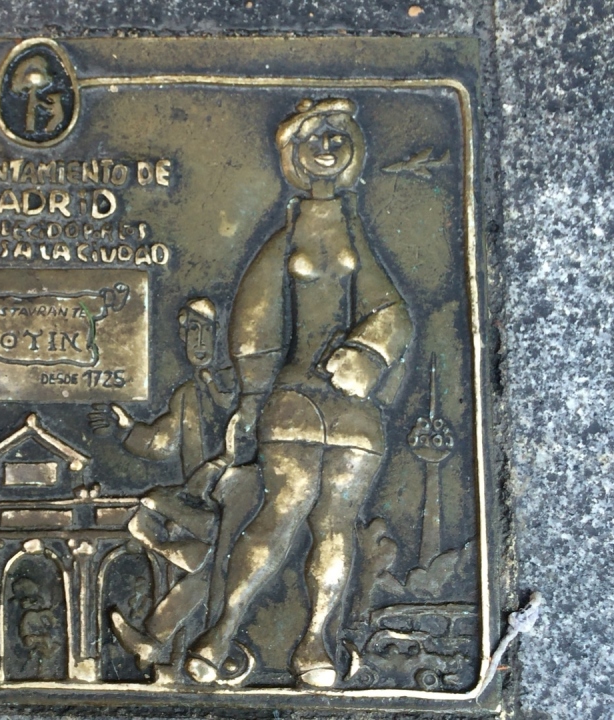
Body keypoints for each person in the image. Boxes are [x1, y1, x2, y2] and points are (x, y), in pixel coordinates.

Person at [184, 98, 412, 688]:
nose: (328, 146)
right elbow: (255, 321)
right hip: (293, 401)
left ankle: (315, 642)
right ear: (294, 152)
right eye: (315, 137)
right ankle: (224, 629)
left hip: (355, 409)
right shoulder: (287, 235)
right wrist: (251, 398)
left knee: (335, 521)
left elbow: (392, 310)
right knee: (283, 508)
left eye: (337, 135)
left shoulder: (355, 230)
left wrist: (369, 354)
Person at [89, 298, 237, 673]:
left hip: (241, 500)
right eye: (189, 332)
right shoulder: (187, 394)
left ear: (225, 335)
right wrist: (126, 430)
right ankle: (153, 639)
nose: (196, 341)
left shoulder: (243, 389)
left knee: (165, 513)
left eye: (205, 331)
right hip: (205, 503)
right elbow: (164, 442)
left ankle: (173, 563)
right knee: (207, 566)